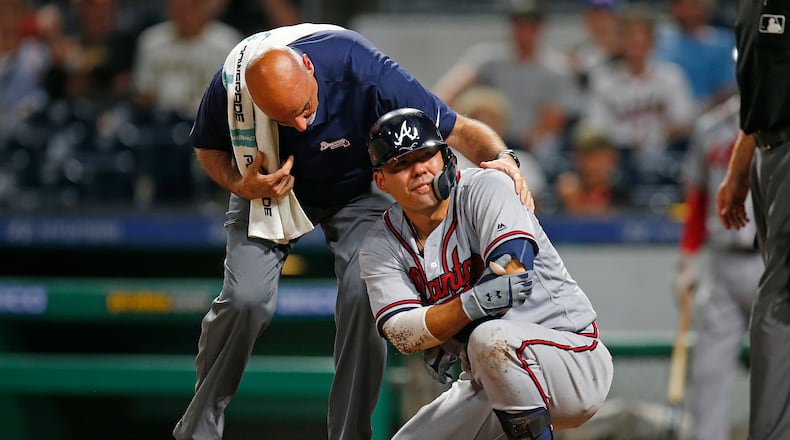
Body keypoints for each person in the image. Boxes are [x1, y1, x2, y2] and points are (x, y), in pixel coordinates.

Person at [172, 23, 530, 440]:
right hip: (268, 185)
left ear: (308, 67)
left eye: (305, 108)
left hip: (355, 191)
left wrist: (503, 159)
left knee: (367, 293)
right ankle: (196, 431)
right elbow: (208, 148)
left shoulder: (360, 66)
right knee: (245, 300)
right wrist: (239, 184)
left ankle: (349, 434)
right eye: (285, 118)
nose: (302, 126)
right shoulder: (232, 85)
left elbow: (457, 129)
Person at [359, 108, 613, 439]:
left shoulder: (486, 187)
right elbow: (403, 333)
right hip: (491, 375)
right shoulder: (380, 244)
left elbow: (511, 277)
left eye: (425, 155)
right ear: (381, 181)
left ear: (446, 157)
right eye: (400, 163)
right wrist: (468, 309)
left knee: (487, 338)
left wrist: (448, 327)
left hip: (571, 357)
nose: (418, 170)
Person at [717, 2, 790, 438]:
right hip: (768, 149)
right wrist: (739, 166)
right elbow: (763, 87)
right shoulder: (747, 5)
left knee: (779, 299)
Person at [676, 93, 760, 440]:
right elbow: (697, 197)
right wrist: (687, 259)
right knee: (708, 371)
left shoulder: (780, 119)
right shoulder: (711, 126)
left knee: (778, 373)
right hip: (721, 261)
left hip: (773, 260)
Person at [432, 0, 579, 165]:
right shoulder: (489, 59)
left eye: (530, 23)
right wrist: (439, 121)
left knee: (549, 159)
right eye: (518, 23)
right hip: (489, 135)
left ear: (540, 27)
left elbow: (552, 121)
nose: (523, 30)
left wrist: (520, 148)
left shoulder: (556, 69)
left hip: (531, 146)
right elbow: (449, 89)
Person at [653, 0, 737, 110]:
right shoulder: (661, 40)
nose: (682, 11)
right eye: (678, 5)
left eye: (690, 5)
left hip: (709, 114)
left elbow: (727, 88)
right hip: (665, 113)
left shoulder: (721, 42)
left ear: (702, 8)